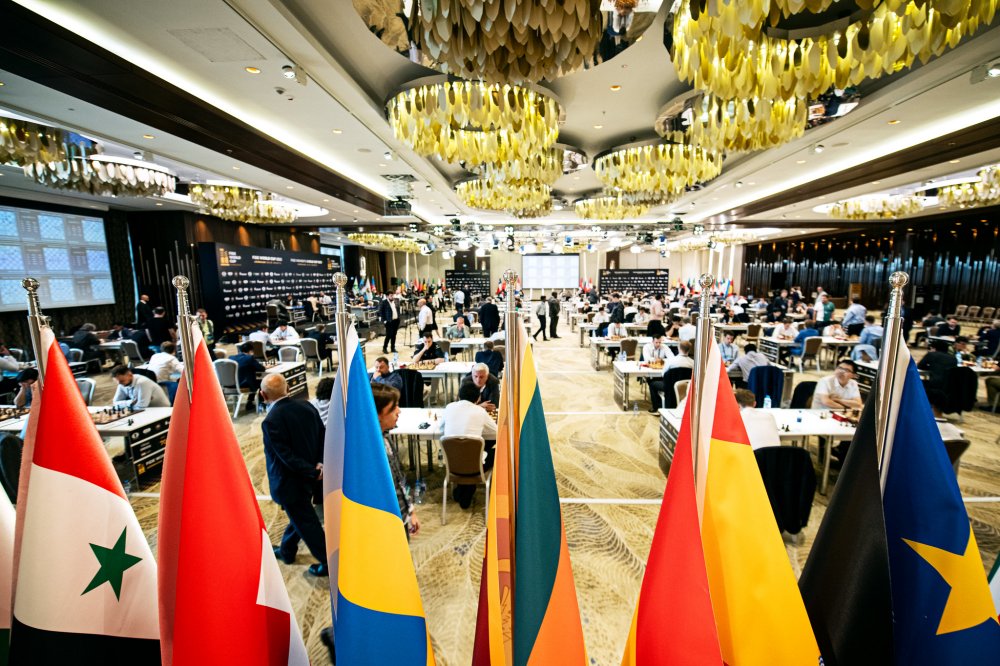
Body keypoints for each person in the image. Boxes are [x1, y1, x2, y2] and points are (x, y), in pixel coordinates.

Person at [260, 373, 327, 576]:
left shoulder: (271, 420)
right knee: (299, 515)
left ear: (263, 395)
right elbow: (322, 435)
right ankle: (287, 550)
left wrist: (312, 471)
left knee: (307, 523)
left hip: (290, 482)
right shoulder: (307, 406)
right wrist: (319, 464)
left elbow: (285, 457)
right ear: (288, 388)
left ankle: (329, 562)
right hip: (311, 476)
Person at [371, 383, 420, 536]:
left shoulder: (386, 438)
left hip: (401, 516)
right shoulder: (368, 451)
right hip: (384, 525)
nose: (399, 411)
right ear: (377, 414)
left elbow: (399, 479)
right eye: (393, 408)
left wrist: (410, 511)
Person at [442, 381, 498, 509]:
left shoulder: (449, 407)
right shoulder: (480, 411)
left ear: (459, 396)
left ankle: (463, 490)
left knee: (469, 449)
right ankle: (468, 490)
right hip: (475, 466)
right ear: (478, 398)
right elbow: (496, 432)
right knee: (496, 451)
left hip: (452, 464)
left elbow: (441, 428)